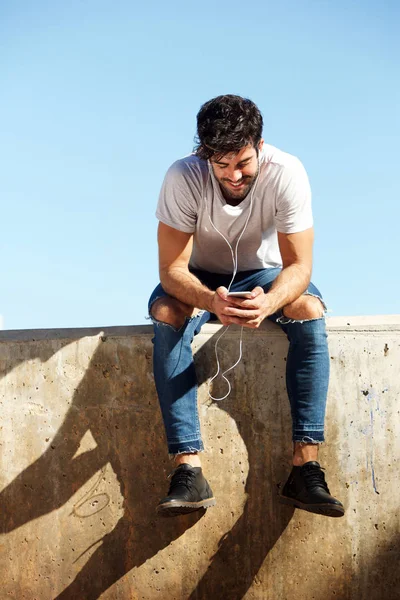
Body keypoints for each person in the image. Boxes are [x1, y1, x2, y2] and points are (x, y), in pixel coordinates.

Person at [148, 94, 344, 518]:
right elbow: (171, 270)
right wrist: (209, 301)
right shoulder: (182, 177)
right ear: (204, 154)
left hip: (265, 276)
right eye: (221, 165)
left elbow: (300, 265)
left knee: (309, 311)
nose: (234, 175)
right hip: (199, 277)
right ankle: (188, 469)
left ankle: (306, 466)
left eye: (243, 162)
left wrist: (271, 300)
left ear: (258, 144)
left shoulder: (287, 172)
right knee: (166, 312)